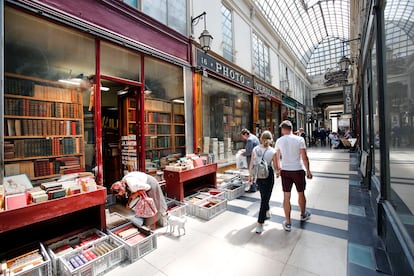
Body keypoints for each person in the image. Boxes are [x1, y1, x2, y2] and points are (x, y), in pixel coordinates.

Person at [274, 120, 312, 232]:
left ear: (283, 129)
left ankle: (288, 222)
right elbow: (304, 157)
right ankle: (303, 213)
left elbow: (277, 157)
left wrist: (278, 169)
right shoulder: (299, 139)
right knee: (301, 193)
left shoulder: (279, 141)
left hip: (285, 170)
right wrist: (308, 170)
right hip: (298, 170)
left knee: (286, 196)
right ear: (291, 128)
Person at [248, 131, 277, 234]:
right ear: (271, 139)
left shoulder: (255, 149)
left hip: (259, 176)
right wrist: (279, 173)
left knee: (264, 196)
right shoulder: (273, 151)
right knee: (265, 199)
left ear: (261, 138)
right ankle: (260, 223)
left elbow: (251, 163)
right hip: (269, 176)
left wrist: (250, 176)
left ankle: (267, 211)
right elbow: (277, 167)